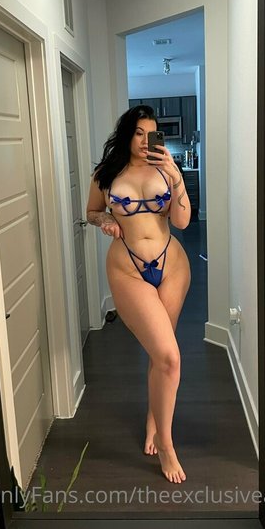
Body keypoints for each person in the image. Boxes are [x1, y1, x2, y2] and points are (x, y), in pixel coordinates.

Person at [86, 105, 191, 484]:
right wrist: (106, 220)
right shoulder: (107, 173)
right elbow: (92, 211)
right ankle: (166, 445)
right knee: (169, 357)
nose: (146, 141)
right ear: (127, 134)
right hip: (128, 268)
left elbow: (181, 221)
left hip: (172, 265)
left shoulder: (166, 170)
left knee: (161, 355)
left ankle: (154, 419)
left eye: (152, 133)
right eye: (139, 133)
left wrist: (176, 178)